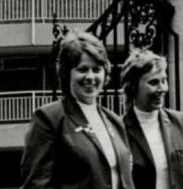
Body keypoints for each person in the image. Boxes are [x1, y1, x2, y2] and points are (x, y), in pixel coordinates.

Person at [20, 32, 134, 189]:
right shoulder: (49, 119)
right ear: (67, 74)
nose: (90, 77)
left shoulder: (115, 121)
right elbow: (36, 185)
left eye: (96, 70)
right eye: (82, 69)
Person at [120, 49, 183, 189]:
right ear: (134, 86)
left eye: (164, 81)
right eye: (153, 83)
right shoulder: (119, 128)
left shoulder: (180, 121)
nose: (162, 88)